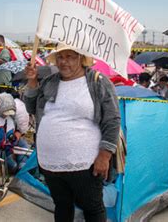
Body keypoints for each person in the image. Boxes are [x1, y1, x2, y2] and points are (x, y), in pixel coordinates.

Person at [24, 44, 120, 222]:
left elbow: (112, 120)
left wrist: (105, 156)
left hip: (85, 164)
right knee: (62, 206)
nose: (63, 62)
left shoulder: (97, 81)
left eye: (70, 56)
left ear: (81, 58)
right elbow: (31, 107)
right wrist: (32, 82)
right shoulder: (50, 81)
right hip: (50, 163)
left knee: (92, 208)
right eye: (60, 57)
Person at [0, 93, 30, 174]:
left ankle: (23, 167)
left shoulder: (10, 117)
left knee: (24, 145)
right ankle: (18, 169)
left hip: (10, 141)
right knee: (13, 165)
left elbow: (17, 130)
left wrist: (16, 135)